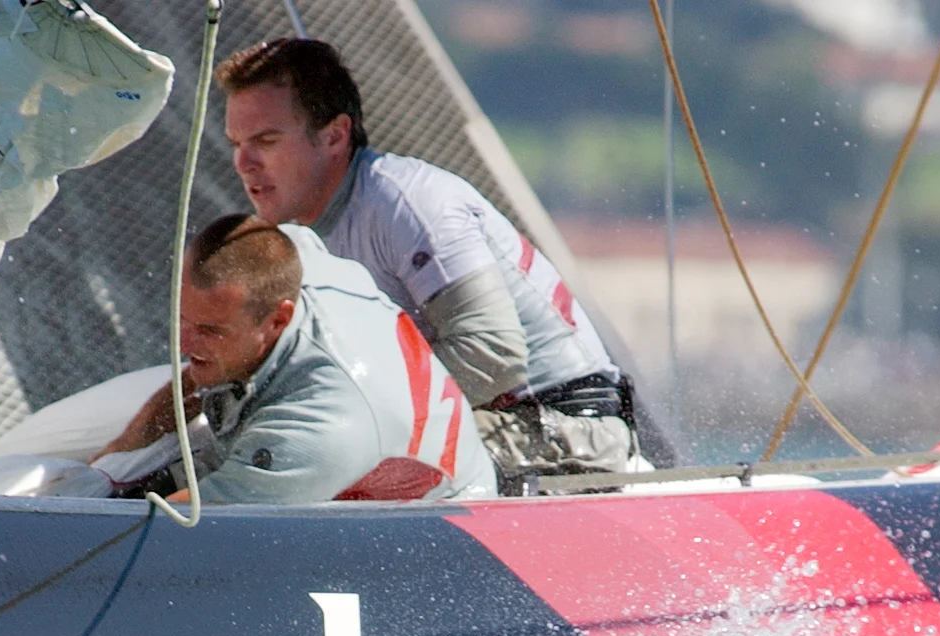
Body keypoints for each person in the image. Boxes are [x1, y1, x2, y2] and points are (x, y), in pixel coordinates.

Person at [214, 38, 637, 493]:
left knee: (336, 459)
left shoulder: (406, 202)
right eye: (236, 143)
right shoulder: (301, 239)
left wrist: (359, 413)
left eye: (266, 141)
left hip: (567, 426)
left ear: (335, 136)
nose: (243, 163)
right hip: (485, 423)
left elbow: (494, 354)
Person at [97, 214, 498, 504]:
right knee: (110, 468)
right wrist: (119, 447)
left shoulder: (319, 430)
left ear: (279, 319)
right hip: (318, 426)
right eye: (182, 317)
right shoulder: (287, 254)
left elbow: (171, 529)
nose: (183, 343)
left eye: (210, 330)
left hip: (439, 521)